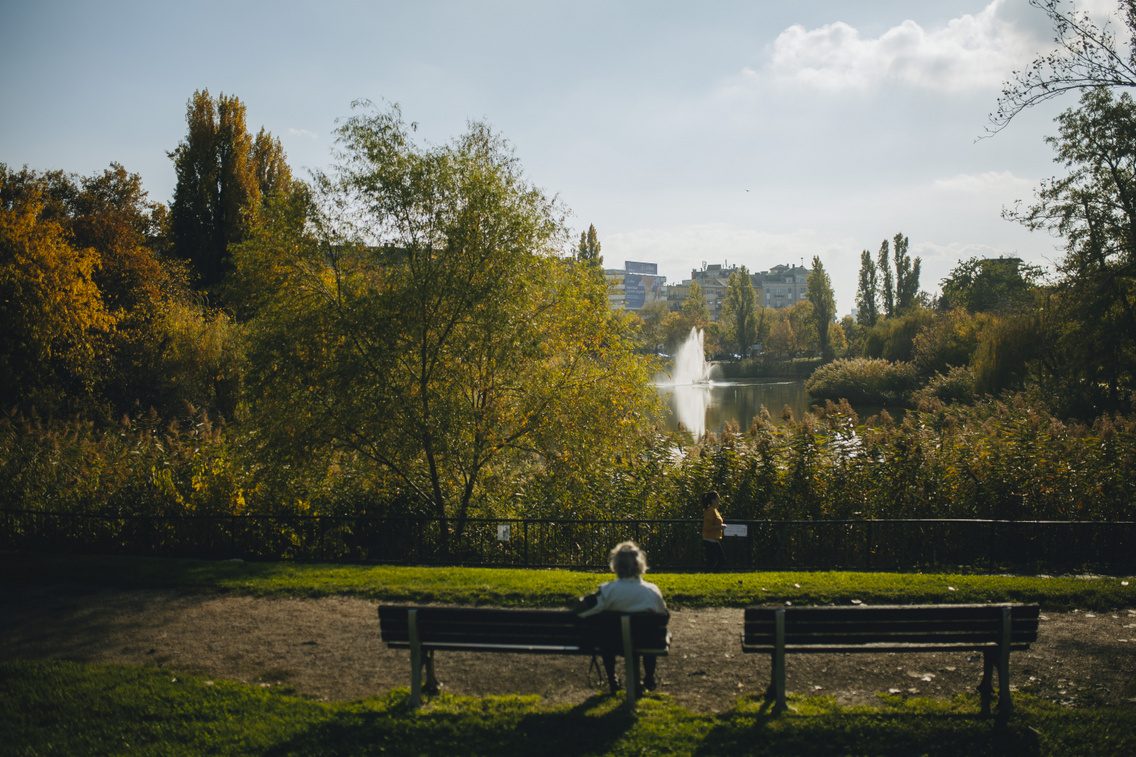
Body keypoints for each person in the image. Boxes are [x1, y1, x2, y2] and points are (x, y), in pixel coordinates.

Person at [573, 541, 668, 695]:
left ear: (615, 566)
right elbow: (663, 615)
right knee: (651, 633)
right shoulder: (652, 591)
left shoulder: (607, 591)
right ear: (640, 565)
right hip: (645, 641)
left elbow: (582, 611)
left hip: (611, 642)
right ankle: (649, 677)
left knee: (606, 635)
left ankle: (612, 677)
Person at [701, 490, 727, 572]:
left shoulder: (715, 510)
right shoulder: (710, 511)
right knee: (712, 562)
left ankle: (712, 575)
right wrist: (719, 526)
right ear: (713, 500)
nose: (719, 501)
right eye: (718, 499)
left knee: (720, 560)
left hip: (714, 539)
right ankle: (708, 576)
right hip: (709, 539)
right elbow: (707, 526)